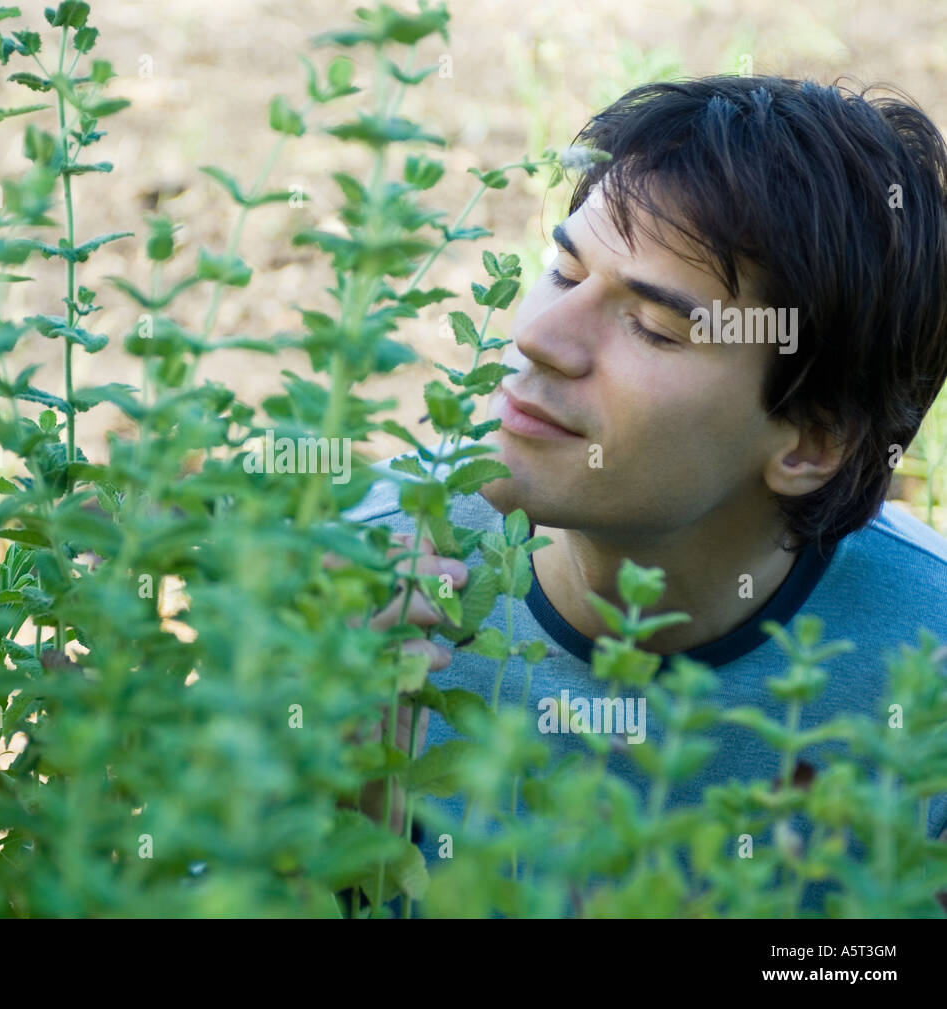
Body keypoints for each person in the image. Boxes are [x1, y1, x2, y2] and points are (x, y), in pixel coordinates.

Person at [345, 75, 947, 916]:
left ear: (811, 442)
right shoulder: (351, 581)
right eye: (562, 272)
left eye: (655, 326)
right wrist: (317, 819)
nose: (535, 339)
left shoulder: (929, 655)